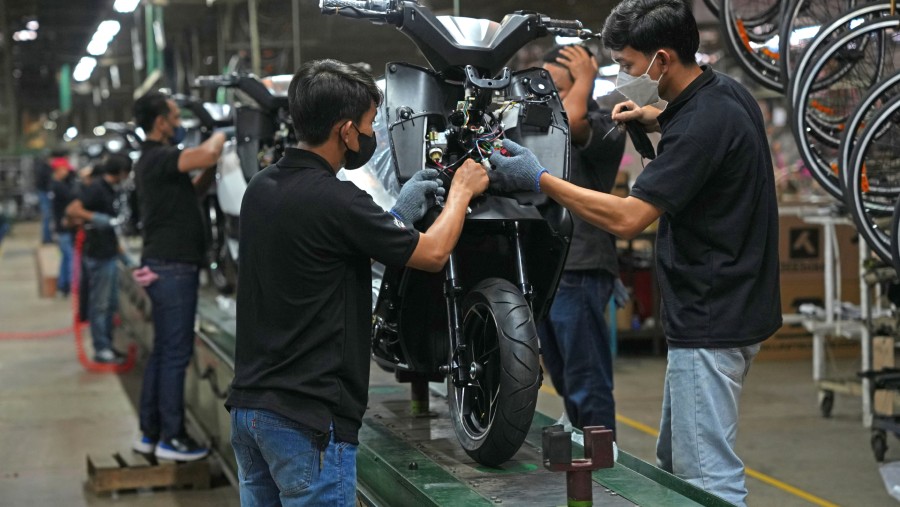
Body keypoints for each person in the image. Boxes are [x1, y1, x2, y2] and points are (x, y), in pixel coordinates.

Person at [488, 1, 781, 505]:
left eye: (626, 65)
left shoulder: (699, 126)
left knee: (708, 480)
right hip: (732, 301)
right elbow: (702, 144)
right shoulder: (722, 94)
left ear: (662, 60)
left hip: (712, 314)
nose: (622, 75)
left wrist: (539, 178)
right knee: (677, 462)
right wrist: (655, 117)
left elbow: (628, 218)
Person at [225, 59, 489, 506]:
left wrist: (396, 218)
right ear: (346, 131)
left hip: (251, 410)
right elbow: (432, 253)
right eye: (369, 125)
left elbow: (323, 247)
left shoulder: (262, 187)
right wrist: (461, 191)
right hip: (308, 422)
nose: (370, 136)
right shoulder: (340, 200)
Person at [131, 91, 227, 461]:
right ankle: (172, 437)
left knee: (163, 353)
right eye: (174, 116)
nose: (178, 123)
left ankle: (149, 432)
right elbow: (206, 153)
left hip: (164, 266)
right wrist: (221, 131)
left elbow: (192, 189)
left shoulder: (157, 164)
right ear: (160, 122)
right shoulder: (157, 157)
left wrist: (214, 169)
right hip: (172, 269)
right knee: (175, 355)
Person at [539, 44, 626, 435]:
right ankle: (581, 433)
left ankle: (601, 457)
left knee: (587, 378)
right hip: (549, 269)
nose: (545, 97)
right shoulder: (541, 131)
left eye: (554, 87)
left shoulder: (604, 123)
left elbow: (572, 118)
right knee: (561, 370)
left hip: (583, 266)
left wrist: (587, 75)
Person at [65, 154, 132, 363]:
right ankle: (101, 348)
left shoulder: (111, 190)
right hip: (98, 255)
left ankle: (108, 344)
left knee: (110, 304)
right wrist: (96, 218)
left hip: (109, 252)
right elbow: (72, 210)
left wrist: (123, 254)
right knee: (100, 304)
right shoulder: (96, 188)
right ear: (121, 172)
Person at [49, 155, 78, 297]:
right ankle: (70, 287)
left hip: (61, 228)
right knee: (70, 257)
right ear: (59, 170)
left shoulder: (57, 185)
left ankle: (63, 286)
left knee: (66, 258)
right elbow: (72, 197)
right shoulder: (59, 186)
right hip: (64, 228)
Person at [34, 151, 55, 244]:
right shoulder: (45, 169)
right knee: (47, 216)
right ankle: (47, 238)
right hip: (44, 193)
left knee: (47, 216)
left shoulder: (43, 168)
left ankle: (47, 237)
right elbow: (46, 182)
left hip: (44, 193)